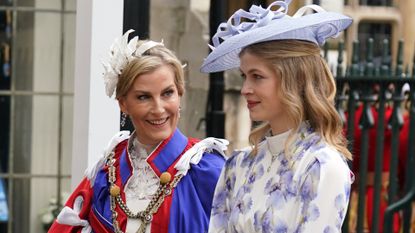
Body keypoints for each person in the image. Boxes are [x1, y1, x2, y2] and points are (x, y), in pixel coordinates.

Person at [48, 30, 227, 233]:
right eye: (143, 97)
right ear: (123, 104)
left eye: (167, 93)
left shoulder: (209, 170)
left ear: (180, 94)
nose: (159, 108)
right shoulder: (106, 173)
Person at [200, 1, 354, 232]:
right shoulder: (238, 164)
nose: (245, 89)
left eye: (257, 76)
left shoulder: (321, 166)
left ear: (295, 79)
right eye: (244, 76)